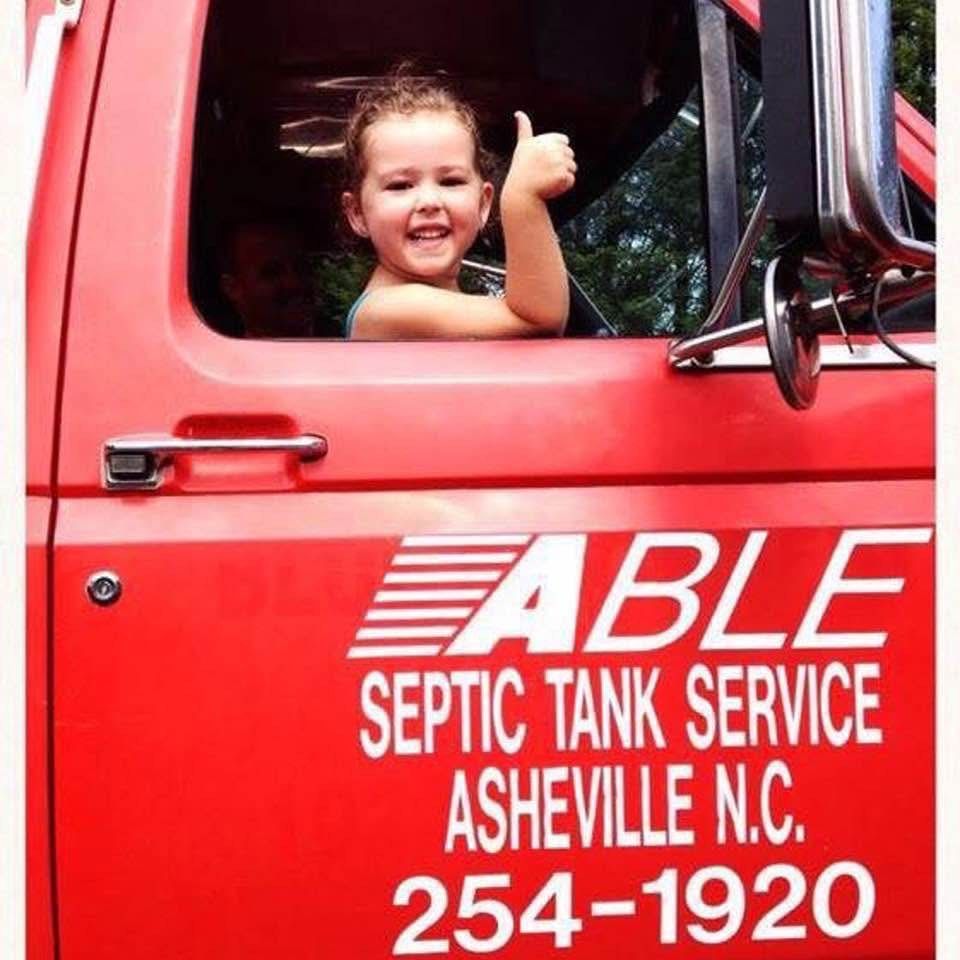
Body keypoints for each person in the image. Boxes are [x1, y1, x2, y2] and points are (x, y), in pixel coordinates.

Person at [340, 74, 577, 339]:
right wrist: (523, 196)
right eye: (400, 186)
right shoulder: (383, 310)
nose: (429, 202)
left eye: (451, 181)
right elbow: (541, 318)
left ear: (483, 203)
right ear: (357, 213)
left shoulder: (462, 311)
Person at [219, 218, 319, 338]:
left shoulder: (337, 352)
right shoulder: (215, 356)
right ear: (232, 288)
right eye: (272, 273)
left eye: (301, 267)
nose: (294, 283)